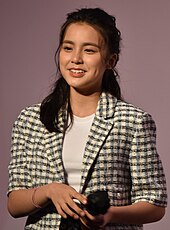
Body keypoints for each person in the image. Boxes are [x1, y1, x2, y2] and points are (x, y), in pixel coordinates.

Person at [7, 7, 167, 230]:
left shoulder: (133, 121)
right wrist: (49, 191)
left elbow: (155, 204)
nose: (76, 59)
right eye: (68, 48)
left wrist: (110, 215)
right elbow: (14, 204)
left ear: (110, 61)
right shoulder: (31, 120)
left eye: (89, 50)